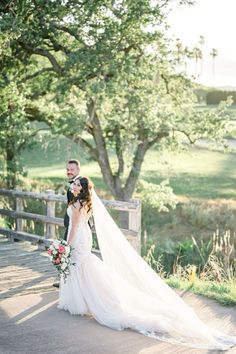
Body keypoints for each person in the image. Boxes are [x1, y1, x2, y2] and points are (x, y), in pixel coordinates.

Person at [58, 176, 236, 351]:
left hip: (78, 237)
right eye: (73, 183)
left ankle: (88, 301)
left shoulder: (75, 205)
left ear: (81, 188)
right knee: (83, 265)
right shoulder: (87, 204)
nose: (73, 185)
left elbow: (73, 228)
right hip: (85, 237)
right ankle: (88, 299)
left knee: (79, 265)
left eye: (75, 184)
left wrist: (66, 244)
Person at [53, 159, 80, 288]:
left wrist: (72, 226)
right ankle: (67, 280)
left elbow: (78, 208)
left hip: (75, 226)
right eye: (68, 169)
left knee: (68, 252)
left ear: (78, 170)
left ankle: (65, 280)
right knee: (69, 253)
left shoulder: (78, 185)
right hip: (72, 224)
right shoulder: (74, 183)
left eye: (72, 169)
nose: (69, 172)